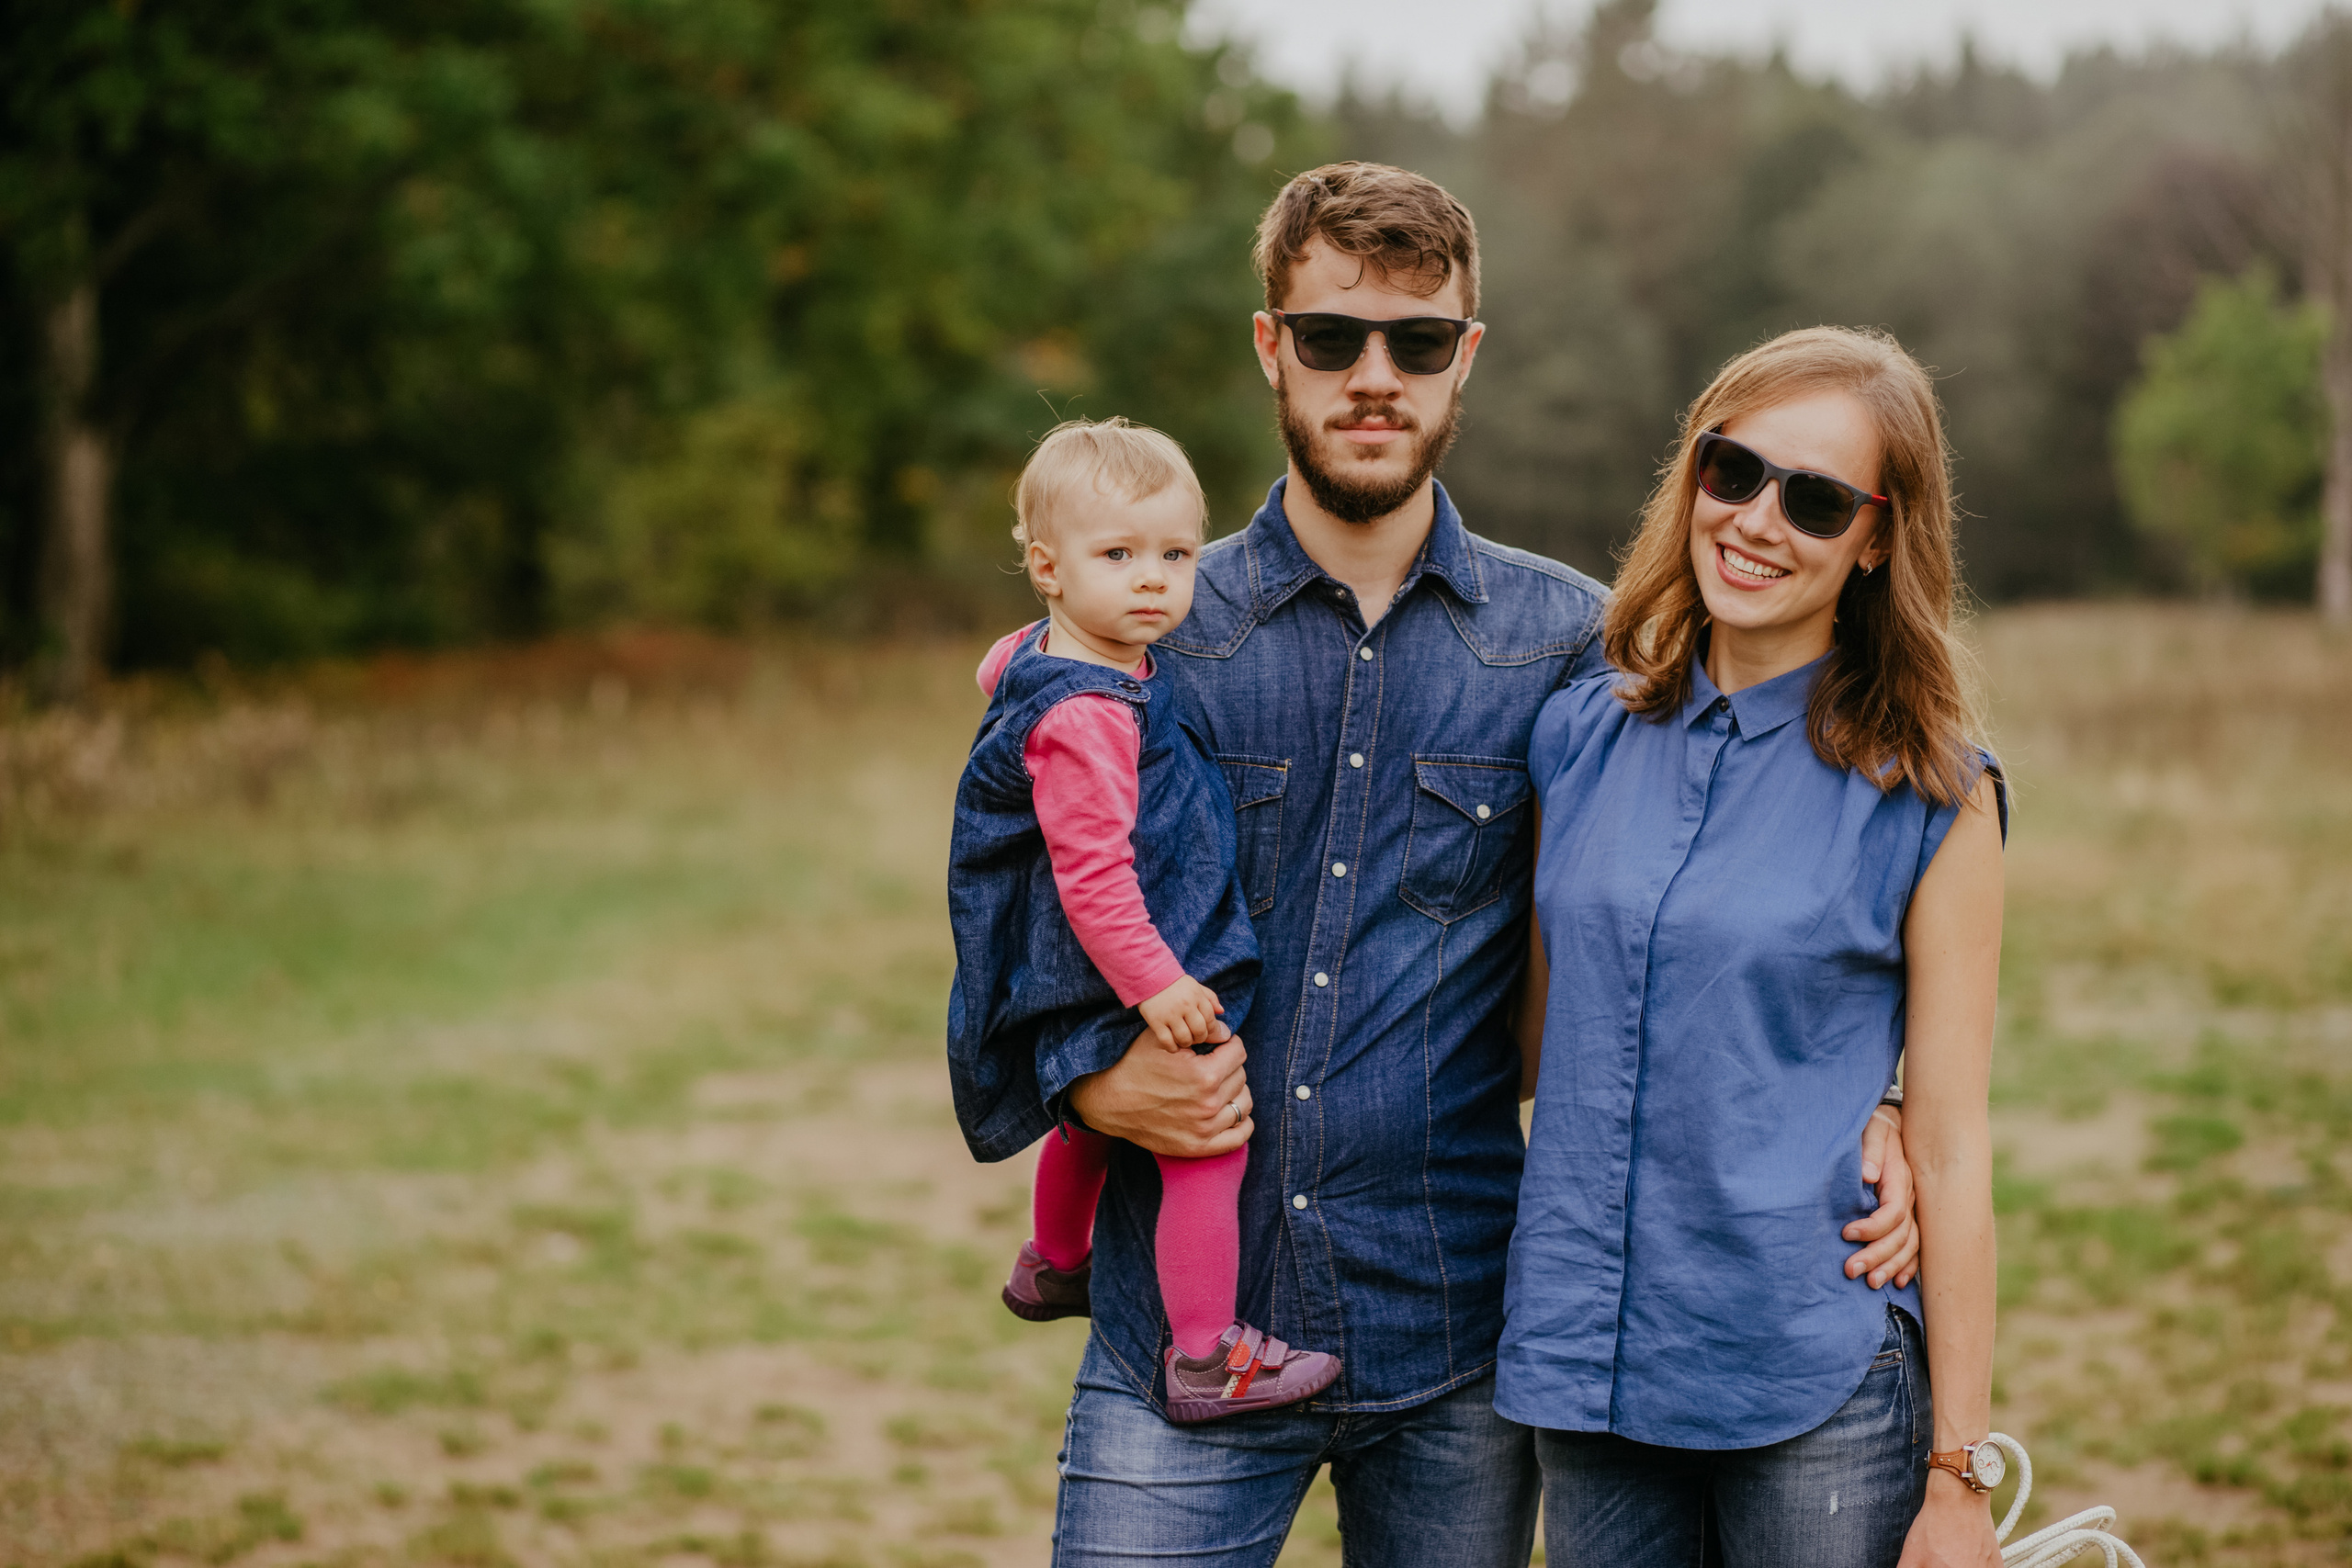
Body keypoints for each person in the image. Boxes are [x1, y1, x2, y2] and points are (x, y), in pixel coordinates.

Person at [949, 164, 1921, 1568]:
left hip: (1456, 1345)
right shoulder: (1143, 628)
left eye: (1415, 341)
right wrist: (1089, 1077)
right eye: (1334, 336)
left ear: (1465, 358)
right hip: (1183, 1344)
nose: (1373, 376)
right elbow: (1010, 910)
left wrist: (1881, 1089)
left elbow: (1748, 862)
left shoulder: (1574, 651)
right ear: (1273, 344)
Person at [1499, 326, 2006, 1567]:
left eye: (1818, 499)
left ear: (1877, 536)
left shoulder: (1935, 792)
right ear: (1693, 475)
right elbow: (1530, 1048)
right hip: (1587, 1361)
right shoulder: (1577, 734)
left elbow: (1950, 1137)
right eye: (1734, 471)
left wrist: (1958, 1475)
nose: (1758, 520)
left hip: (1807, 1375)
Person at [949, 416, 1340, 1420]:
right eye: (1117, 556)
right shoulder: (1087, 716)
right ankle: (1206, 1355)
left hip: (1082, 975)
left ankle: (1054, 1263)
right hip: (1123, 962)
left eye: (1173, 553)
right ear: (1046, 566)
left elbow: (1001, 668)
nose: (1155, 580)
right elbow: (1093, 876)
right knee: (1205, 1138)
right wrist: (1156, 984)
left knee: (1091, 1119)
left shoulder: (1052, 654)